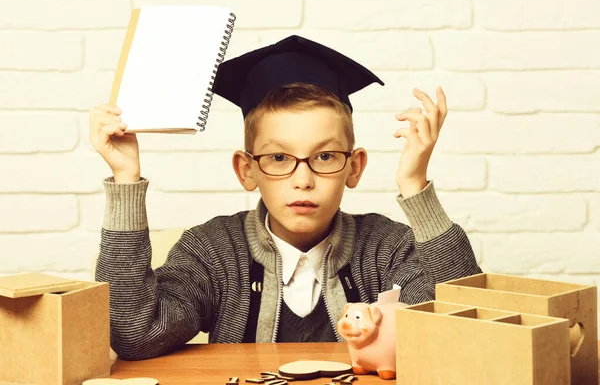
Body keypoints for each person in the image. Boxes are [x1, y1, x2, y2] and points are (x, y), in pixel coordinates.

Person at [90, 35, 482, 361]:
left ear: (354, 167)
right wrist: (126, 180)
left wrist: (415, 185)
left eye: (325, 156)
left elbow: (462, 321)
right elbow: (135, 335)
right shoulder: (211, 251)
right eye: (279, 158)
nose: (303, 179)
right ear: (247, 170)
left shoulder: (388, 248)